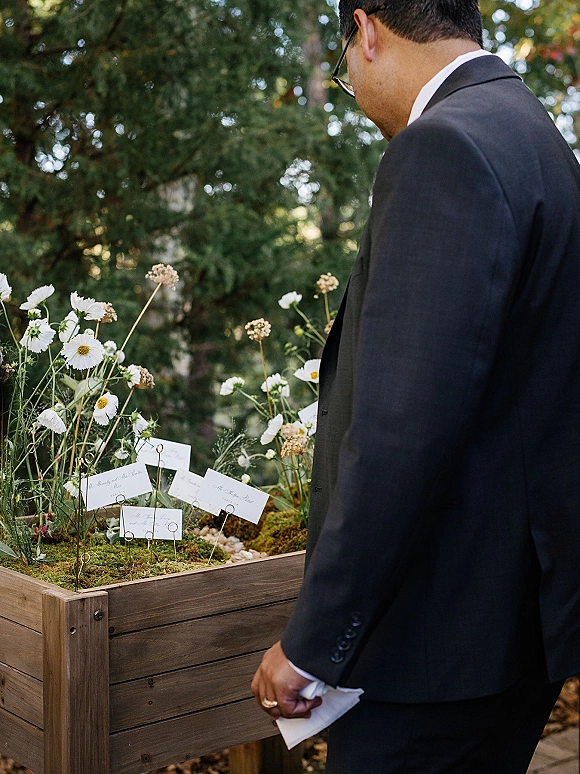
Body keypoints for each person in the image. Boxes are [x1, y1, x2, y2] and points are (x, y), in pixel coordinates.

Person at [251, 1, 580, 771]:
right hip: (519, 628)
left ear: (367, 31)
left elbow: (401, 431)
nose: (353, 90)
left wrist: (312, 644)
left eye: (343, 68)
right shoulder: (536, 136)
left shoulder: (442, 148)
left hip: (434, 648)